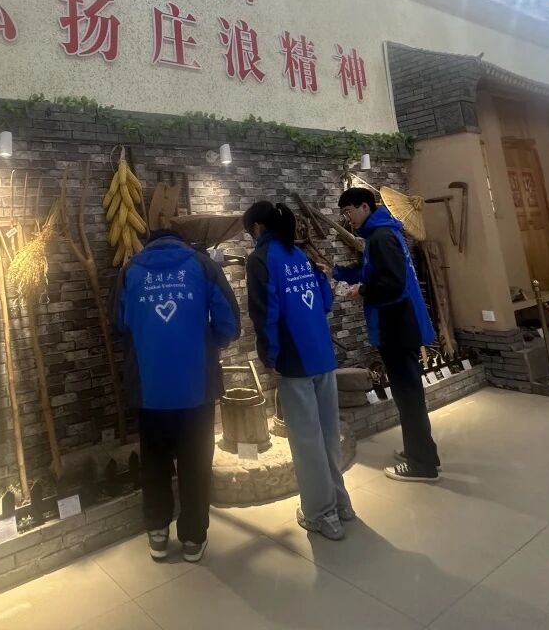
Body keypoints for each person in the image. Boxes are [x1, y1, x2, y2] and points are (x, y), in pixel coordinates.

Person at [111, 216, 240, 562]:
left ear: (149, 244)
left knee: (154, 460)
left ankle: (157, 533)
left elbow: (119, 322)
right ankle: (193, 539)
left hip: (149, 388)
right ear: (181, 241)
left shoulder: (130, 271)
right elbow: (229, 322)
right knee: (195, 463)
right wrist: (210, 343)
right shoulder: (203, 265)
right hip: (197, 387)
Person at [243, 201, 354, 540]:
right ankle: (341, 504)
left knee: (306, 441)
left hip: (295, 360)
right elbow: (325, 302)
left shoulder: (260, 259)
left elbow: (266, 314)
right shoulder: (300, 254)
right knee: (328, 434)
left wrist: (269, 356)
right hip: (322, 355)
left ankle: (321, 514)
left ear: (258, 228)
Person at [334, 187, 442, 482]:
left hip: (397, 326)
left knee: (408, 396)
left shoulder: (381, 237)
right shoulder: (381, 234)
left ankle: (422, 465)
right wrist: (336, 272)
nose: (347, 218)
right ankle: (423, 452)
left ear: (364, 207)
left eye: (349, 211)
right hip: (398, 325)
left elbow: (392, 284)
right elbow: (369, 270)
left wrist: (362, 291)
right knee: (408, 394)